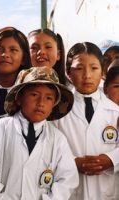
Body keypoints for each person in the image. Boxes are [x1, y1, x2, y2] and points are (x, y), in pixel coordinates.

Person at [0, 66, 78, 199]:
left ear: (55, 103)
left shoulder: (58, 138)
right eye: (34, 95)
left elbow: (68, 178)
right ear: (19, 98)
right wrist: (0, 195)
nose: (41, 103)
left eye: (48, 98)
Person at [54, 42, 119, 199]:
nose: (87, 75)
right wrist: (73, 162)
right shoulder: (57, 112)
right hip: (72, 192)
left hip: (107, 191)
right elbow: (50, 149)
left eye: (94, 68)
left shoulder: (115, 111)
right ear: (68, 72)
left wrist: (111, 159)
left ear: (103, 71)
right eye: (79, 68)